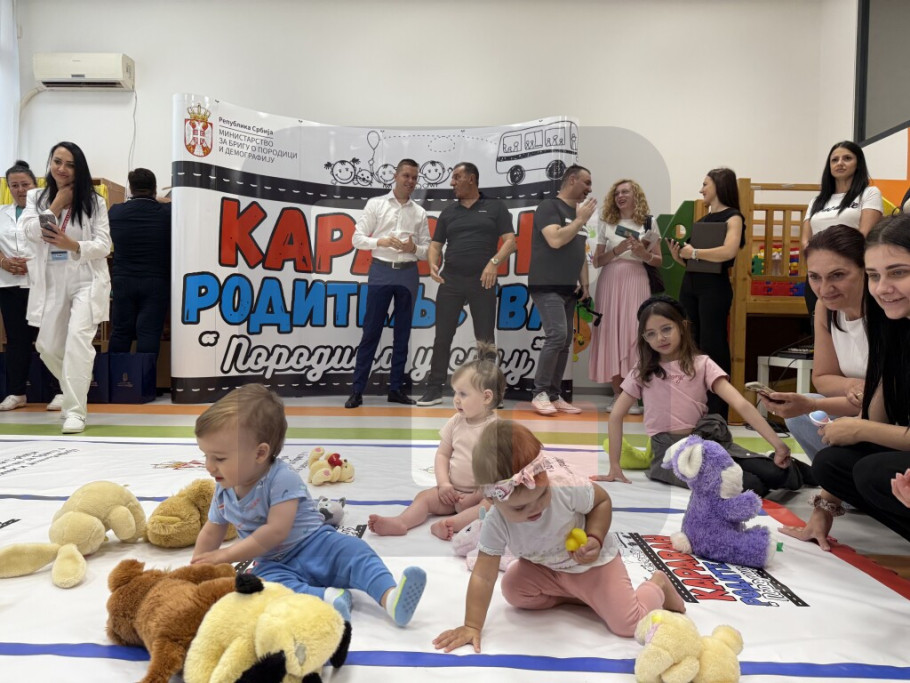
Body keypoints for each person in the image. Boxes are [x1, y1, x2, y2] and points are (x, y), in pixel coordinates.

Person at [433, 419, 685, 653]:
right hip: (547, 569)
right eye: (520, 508)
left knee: (628, 625)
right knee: (513, 590)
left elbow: (602, 501)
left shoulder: (565, 488)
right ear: (492, 500)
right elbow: (483, 575)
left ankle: (657, 584)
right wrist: (472, 625)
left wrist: (595, 538)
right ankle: (578, 595)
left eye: (542, 496)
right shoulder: (496, 523)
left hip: (592, 564)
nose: (535, 509)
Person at [191, 383, 427, 625]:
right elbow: (212, 530)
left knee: (356, 552)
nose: (209, 466)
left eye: (219, 458)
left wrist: (226, 554)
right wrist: (197, 569)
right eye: (205, 455)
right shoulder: (223, 489)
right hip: (272, 563)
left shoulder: (281, 478)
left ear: (260, 453)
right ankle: (328, 598)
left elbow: (275, 531)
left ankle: (390, 597)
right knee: (263, 589)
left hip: (316, 544)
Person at [595, 295, 811, 497]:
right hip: (669, 455)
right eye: (651, 333)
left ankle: (801, 471)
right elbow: (616, 416)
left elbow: (740, 404)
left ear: (682, 326)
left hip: (708, 442)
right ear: (644, 338)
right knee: (751, 485)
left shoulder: (702, 364)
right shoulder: (643, 370)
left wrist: (778, 444)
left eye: (666, 329)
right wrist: (614, 466)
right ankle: (774, 475)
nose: (660, 338)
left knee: (774, 473)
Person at [782, 215, 910, 548]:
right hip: (887, 428)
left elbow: (871, 421)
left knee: (872, 471)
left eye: (898, 272)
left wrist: (861, 428)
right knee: (831, 463)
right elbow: (872, 404)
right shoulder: (895, 325)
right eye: (875, 275)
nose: (883, 287)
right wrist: (824, 507)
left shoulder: (884, 313)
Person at [20, 142, 112, 434]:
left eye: (70, 164)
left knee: (77, 341)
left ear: (79, 168)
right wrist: (57, 204)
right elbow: (28, 233)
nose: (61, 168)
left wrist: (74, 245)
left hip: (85, 277)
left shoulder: (94, 201)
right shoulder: (36, 197)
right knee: (46, 346)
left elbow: (104, 245)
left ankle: (75, 411)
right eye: (57, 161)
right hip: (51, 280)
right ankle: (76, 385)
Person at [368, 343, 503, 538]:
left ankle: (451, 524)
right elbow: (443, 455)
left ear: (486, 397)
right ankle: (401, 522)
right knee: (424, 497)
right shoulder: (456, 421)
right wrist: (444, 484)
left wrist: (478, 494)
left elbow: (500, 470)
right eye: (455, 392)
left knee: (490, 507)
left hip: (480, 494)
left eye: (463, 394)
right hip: (452, 492)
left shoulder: (497, 429)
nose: (456, 399)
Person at [758, 226, 867, 460]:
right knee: (799, 415)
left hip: (889, 414)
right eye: (815, 277)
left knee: (812, 408)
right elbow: (822, 377)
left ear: (865, 269)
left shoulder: (888, 309)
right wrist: (852, 386)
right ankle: (840, 473)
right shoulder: (825, 308)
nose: (825, 289)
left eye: (838, 275)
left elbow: (887, 400)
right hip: (856, 403)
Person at [417, 162, 515, 406]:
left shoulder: (495, 207)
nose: (452, 183)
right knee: (442, 337)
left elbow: (510, 242)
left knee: (485, 339)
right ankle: (434, 388)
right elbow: (435, 245)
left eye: (456, 177)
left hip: (483, 280)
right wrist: (432, 264)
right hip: (451, 280)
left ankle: (489, 393)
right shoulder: (449, 212)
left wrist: (493, 263)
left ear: (471, 179)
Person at [345, 159, 430, 409]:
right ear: (395, 175)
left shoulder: (419, 212)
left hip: (408, 273)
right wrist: (380, 242)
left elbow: (427, 250)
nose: (410, 181)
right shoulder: (376, 204)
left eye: (414, 177)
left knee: (402, 334)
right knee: (371, 331)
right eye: (406, 176)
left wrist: (413, 248)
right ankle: (357, 390)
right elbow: (357, 238)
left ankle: (396, 389)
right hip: (381, 271)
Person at [667, 167, 745, 419]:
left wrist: (694, 253)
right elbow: (691, 260)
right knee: (690, 344)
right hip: (691, 286)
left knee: (713, 344)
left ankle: (717, 410)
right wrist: (679, 255)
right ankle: (693, 404)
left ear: (719, 185)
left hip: (714, 288)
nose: (701, 190)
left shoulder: (734, 217)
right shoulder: (702, 221)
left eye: (705, 184)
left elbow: (728, 251)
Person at [527, 164, 596, 416]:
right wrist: (580, 220)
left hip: (569, 288)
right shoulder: (549, 207)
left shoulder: (578, 214)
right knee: (557, 335)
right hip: (546, 285)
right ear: (572, 179)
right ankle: (539, 393)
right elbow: (555, 240)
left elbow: (580, 252)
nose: (589, 189)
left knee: (565, 341)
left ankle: (554, 395)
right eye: (587, 183)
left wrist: (585, 284)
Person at [589, 179, 662, 415]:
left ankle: (635, 394)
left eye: (625, 192)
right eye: (617, 193)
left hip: (637, 279)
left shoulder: (649, 222)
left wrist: (642, 253)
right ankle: (617, 395)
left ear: (635, 195)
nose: (620, 196)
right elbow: (597, 261)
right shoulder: (607, 223)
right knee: (611, 333)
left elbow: (659, 260)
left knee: (634, 334)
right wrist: (617, 250)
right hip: (610, 281)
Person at [800, 141, 882, 316]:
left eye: (847, 158)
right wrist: (816, 259)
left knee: (854, 321)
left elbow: (865, 233)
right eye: (834, 160)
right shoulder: (817, 201)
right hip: (819, 270)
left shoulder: (870, 193)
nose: (840, 163)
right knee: (818, 320)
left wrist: (836, 258)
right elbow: (806, 238)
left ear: (858, 163)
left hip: (850, 268)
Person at [0, 161, 51, 410]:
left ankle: (58, 392)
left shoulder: (47, 211)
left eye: (25, 185)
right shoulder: (1, 212)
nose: (20, 190)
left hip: (41, 283)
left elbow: (56, 244)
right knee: (16, 340)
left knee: (47, 339)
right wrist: (4, 262)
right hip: (9, 284)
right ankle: (16, 392)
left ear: (35, 185)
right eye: (15, 185)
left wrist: (34, 265)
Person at [107, 168, 172, 357]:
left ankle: (116, 374)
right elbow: (175, 205)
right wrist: (159, 199)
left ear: (130, 188)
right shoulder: (167, 213)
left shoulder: (115, 212)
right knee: (149, 333)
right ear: (155, 188)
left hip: (123, 280)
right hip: (156, 282)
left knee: (120, 331)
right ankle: (145, 376)